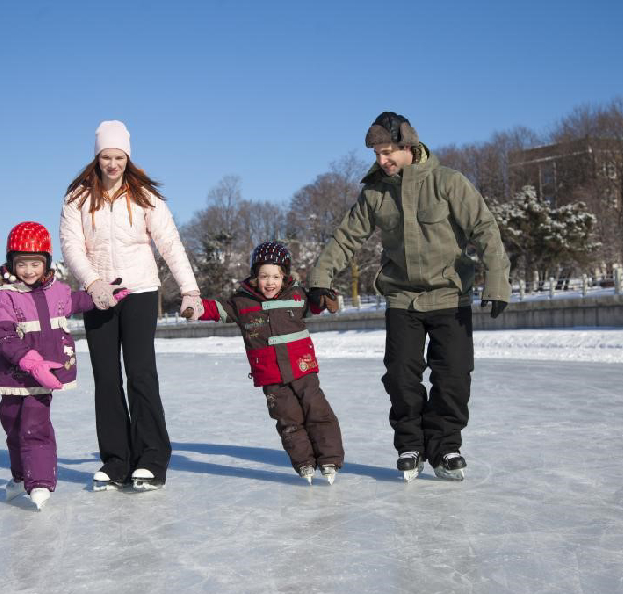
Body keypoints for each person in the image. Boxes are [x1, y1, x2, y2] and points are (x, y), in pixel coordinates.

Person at [309, 112, 511, 482]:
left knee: (453, 377)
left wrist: (497, 281)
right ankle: (410, 444)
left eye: (387, 152)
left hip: (451, 296)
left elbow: (485, 229)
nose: (381, 161)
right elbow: (346, 238)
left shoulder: (447, 182)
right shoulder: (375, 192)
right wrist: (321, 278)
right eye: (376, 155)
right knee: (401, 375)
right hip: (403, 298)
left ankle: (446, 444)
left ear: (408, 146)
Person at [59, 120, 203, 492]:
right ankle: (116, 459)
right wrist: (93, 283)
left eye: (119, 157)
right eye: (106, 157)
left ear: (128, 157)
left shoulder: (144, 197)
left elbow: (169, 243)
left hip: (139, 292)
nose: (112, 164)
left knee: (140, 374)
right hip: (98, 295)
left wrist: (190, 290)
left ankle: (152, 457)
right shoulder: (76, 198)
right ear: (96, 157)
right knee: (106, 379)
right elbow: (71, 247)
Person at [0, 222, 122, 510]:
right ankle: (20, 477)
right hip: (12, 376)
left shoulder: (57, 291)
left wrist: (103, 295)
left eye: (35, 263)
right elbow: (3, 336)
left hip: (41, 378)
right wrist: (29, 361)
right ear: (12, 263)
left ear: (46, 262)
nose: (29, 270)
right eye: (22, 264)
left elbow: (77, 301)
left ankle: (39, 482)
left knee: (35, 427)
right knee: (13, 428)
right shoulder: (4, 297)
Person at [185, 241, 345, 484]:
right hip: (270, 375)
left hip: (302, 367)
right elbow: (217, 309)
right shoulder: (243, 302)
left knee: (317, 410)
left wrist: (326, 298)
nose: (269, 282)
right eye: (263, 276)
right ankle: (304, 463)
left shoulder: (296, 295)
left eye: (275, 276)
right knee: (288, 419)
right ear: (254, 276)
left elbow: (316, 302)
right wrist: (195, 307)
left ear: (285, 276)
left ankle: (330, 458)